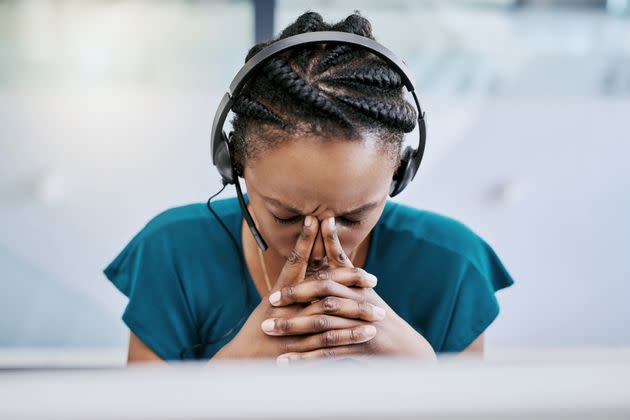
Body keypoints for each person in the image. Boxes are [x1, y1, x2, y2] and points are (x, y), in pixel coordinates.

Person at [104, 11, 514, 365]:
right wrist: (230, 369)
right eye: (286, 215)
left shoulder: (454, 265)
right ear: (234, 167)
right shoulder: (171, 252)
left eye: (353, 217)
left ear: (399, 176)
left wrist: (421, 369)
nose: (319, 244)